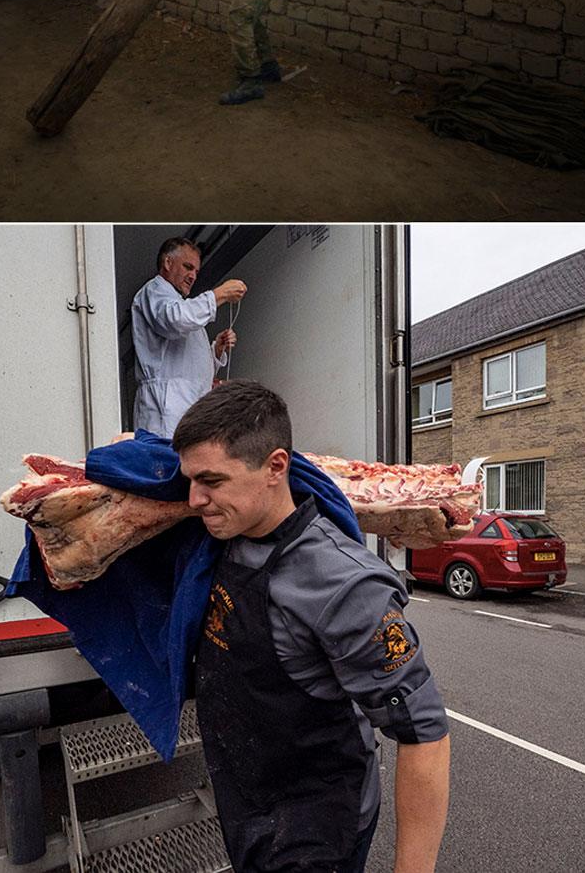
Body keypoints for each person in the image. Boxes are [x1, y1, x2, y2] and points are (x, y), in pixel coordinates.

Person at [172, 380, 451, 873]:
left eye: (211, 481)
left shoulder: (344, 584)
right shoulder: (228, 534)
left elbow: (424, 733)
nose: (194, 500)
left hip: (316, 827)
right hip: (249, 800)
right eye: (189, 481)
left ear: (276, 467)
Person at [131, 237, 246, 437]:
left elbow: (188, 365)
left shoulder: (179, 303)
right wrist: (218, 295)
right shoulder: (154, 290)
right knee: (167, 464)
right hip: (165, 407)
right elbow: (176, 320)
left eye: (196, 271)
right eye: (187, 267)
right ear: (168, 263)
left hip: (186, 407)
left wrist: (216, 351)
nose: (193, 276)